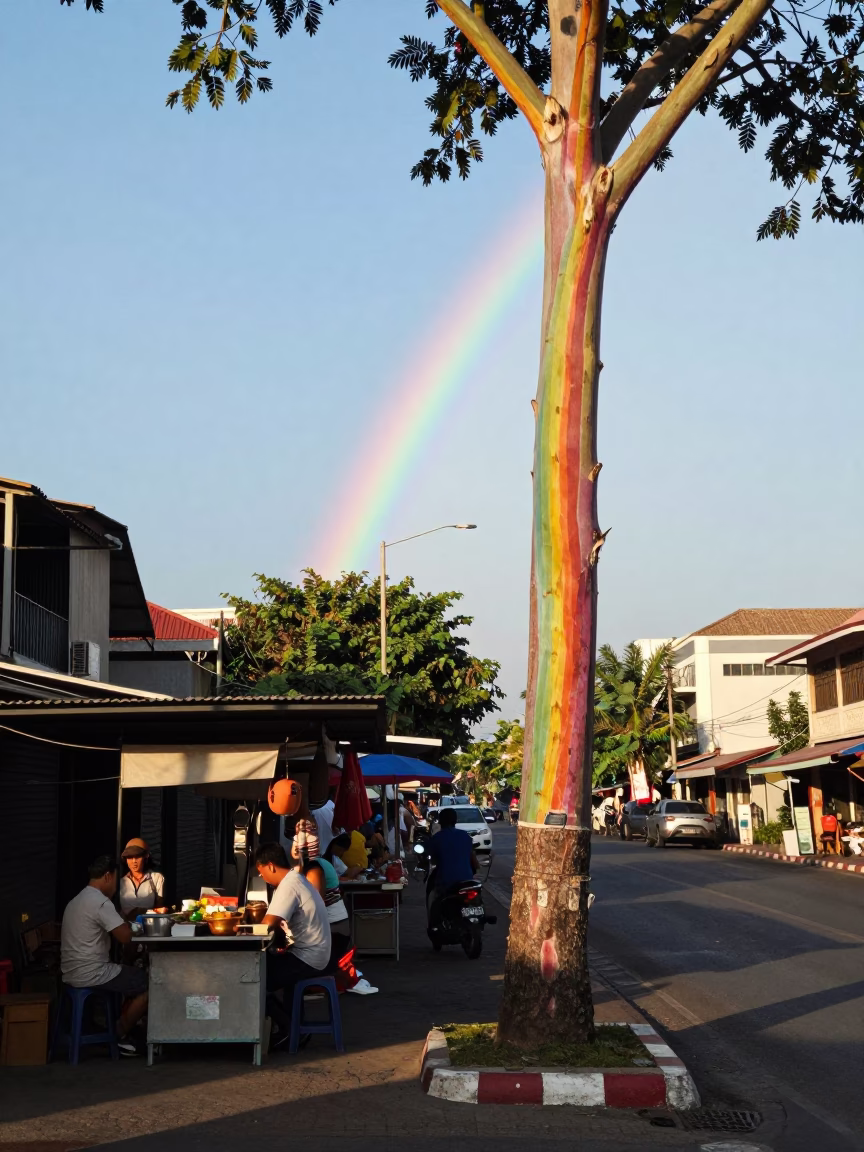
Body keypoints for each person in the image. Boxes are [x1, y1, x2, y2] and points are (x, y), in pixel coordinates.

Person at [60, 855, 148, 1056]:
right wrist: (138, 928)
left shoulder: (76, 900)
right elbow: (125, 937)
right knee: (151, 982)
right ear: (108, 876)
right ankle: (120, 1034)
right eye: (116, 880)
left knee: (128, 975)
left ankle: (118, 1029)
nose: (116, 887)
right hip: (93, 972)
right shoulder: (100, 902)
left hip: (71, 973)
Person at [254, 842, 333, 1050]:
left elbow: (268, 923)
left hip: (310, 957)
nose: (262, 877)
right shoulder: (296, 880)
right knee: (266, 968)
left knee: (255, 978)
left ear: (270, 866)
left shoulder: (289, 885)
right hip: (314, 952)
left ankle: (291, 1029)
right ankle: (293, 1026)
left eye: (261, 872)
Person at [428, 807, 478, 896]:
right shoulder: (465, 835)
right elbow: (473, 859)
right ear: (455, 820)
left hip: (446, 882)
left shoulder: (437, 838)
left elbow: (433, 860)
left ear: (440, 821)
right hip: (467, 880)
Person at [118, 838, 166, 918]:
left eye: (137, 857)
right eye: (129, 857)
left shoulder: (156, 878)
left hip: (149, 924)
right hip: (126, 926)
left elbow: (160, 909)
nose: (134, 861)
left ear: (145, 857)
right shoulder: (120, 882)